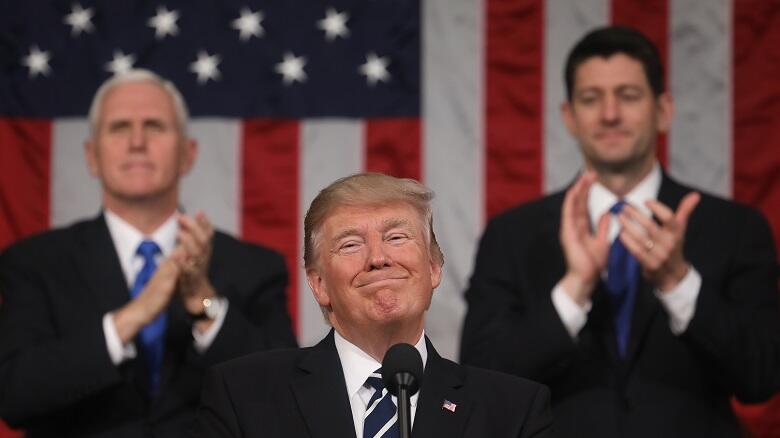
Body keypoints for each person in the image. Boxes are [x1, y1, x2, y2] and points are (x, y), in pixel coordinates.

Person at [460, 26, 780, 438]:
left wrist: (677, 283)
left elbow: (761, 377)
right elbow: (479, 385)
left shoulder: (735, 227)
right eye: (591, 99)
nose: (610, 114)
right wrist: (573, 290)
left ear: (663, 110)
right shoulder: (512, 234)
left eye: (628, 96)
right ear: (569, 116)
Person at [0, 69, 297, 437]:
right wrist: (131, 318)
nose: (137, 141)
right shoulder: (35, 263)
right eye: (120, 127)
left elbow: (286, 399)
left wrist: (203, 301)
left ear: (188, 154)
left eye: (154, 126)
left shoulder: (253, 266)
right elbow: (15, 396)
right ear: (92, 157)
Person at [194, 173, 554, 438]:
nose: (379, 258)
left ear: (433, 268)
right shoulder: (244, 394)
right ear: (319, 284)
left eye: (397, 237)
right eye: (351, 245)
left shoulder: (513, 410)